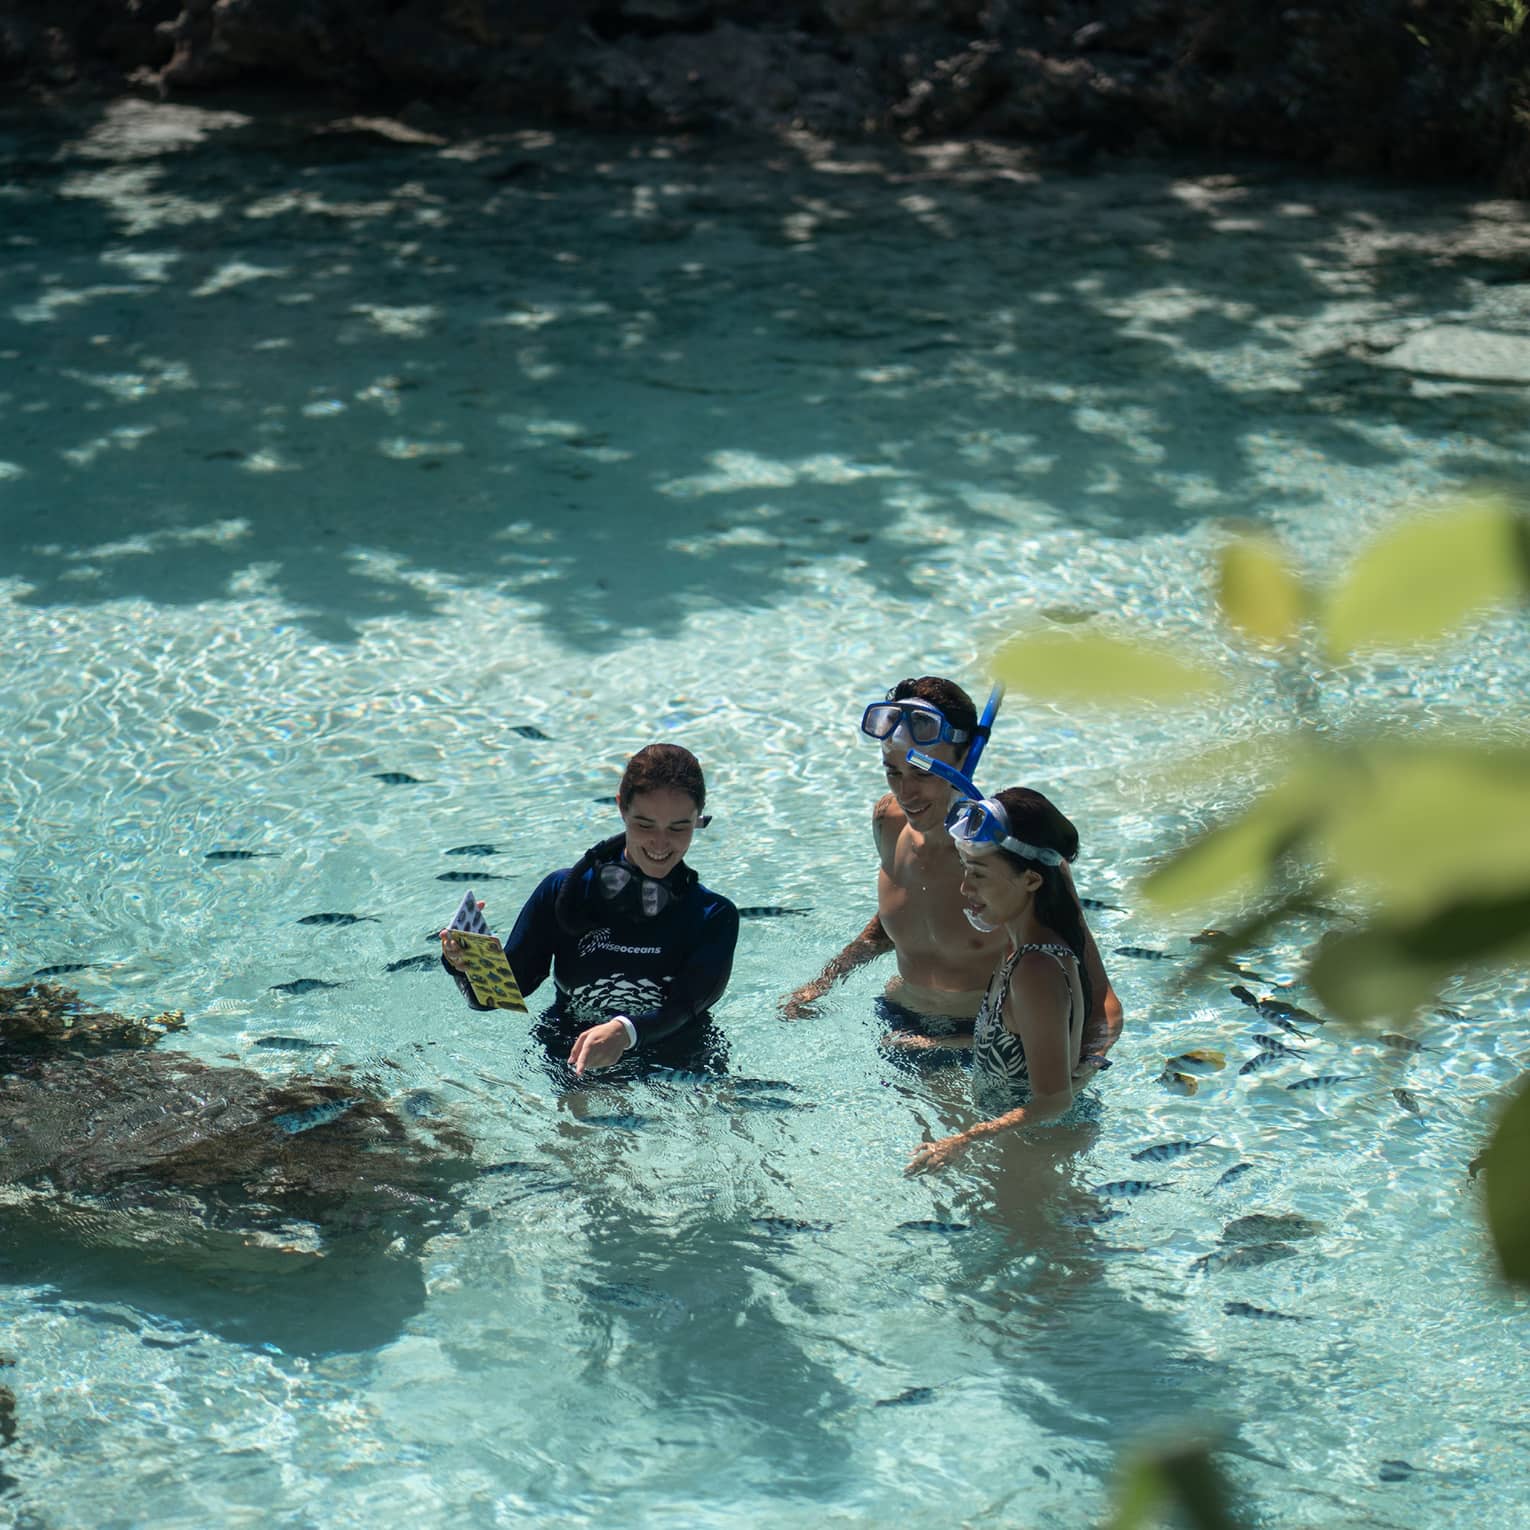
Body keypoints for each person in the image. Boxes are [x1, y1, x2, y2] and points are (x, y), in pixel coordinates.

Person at [780, 676, 1121, 1071]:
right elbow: (900, 914)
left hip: (988, 1045)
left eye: (924, 774)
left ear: (966, 758)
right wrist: (824, 981)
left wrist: (1083, 1068)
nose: (906, 794)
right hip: (897, 1022)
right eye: (893, 772)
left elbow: (1100, 999)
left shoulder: (1013, 854)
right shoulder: (888, 820)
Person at [441, 743, 738, 1076]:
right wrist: (466, 962)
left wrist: (625, 1032)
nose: (659, 842)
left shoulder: (713, 916)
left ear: (698, 819)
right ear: (621, 809)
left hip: (678, 1054)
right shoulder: (564, 894)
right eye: (644, 824)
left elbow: (685, 1008)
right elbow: (493, 998)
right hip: (572, 1048)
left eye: (678, 828)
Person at [906, 787, 1091, 1173]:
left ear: (1031, 880)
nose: (965, 888)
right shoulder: (1019, 948)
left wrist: (965, 1139)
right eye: (964, 869)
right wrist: (943, 1043)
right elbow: (1023, 1044)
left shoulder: (1036, 970)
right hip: (1017, 1141)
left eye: (979, 873)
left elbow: (1054, 1100)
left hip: (1035, 1153)